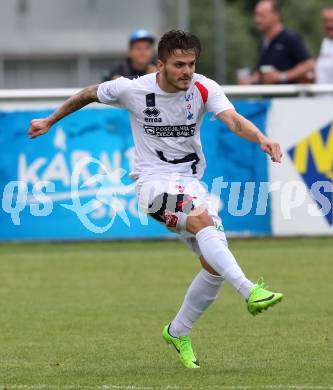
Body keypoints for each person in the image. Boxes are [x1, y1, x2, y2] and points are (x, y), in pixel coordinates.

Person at [28, 30, 284, 369]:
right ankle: (250, 289)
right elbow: (89, 94)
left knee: (214, 263)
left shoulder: (204, 88)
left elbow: (233, 120)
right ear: (160, 64)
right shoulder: (134, 89)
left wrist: (262, 138)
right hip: (152, 186)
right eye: (179, 65)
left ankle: (178, 331)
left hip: (191, 184)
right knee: (202, 222)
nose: (187, 71)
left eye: (191, 64)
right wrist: (49, 120)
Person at [240, 0, 314, 85]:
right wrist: (249, 80)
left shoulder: (290, 38)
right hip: (269, 97)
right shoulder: (263, 42)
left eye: (261, 16)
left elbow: (309, 64)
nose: (257, 20)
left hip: (288, 97)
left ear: (275, 15)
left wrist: (282, 76)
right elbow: (263, 73)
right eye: (256, 15)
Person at [316, 6, 333, 84]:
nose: (329, 25)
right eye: (326, 21)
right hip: (321, 95)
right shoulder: (325, 42)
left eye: (332, 20)